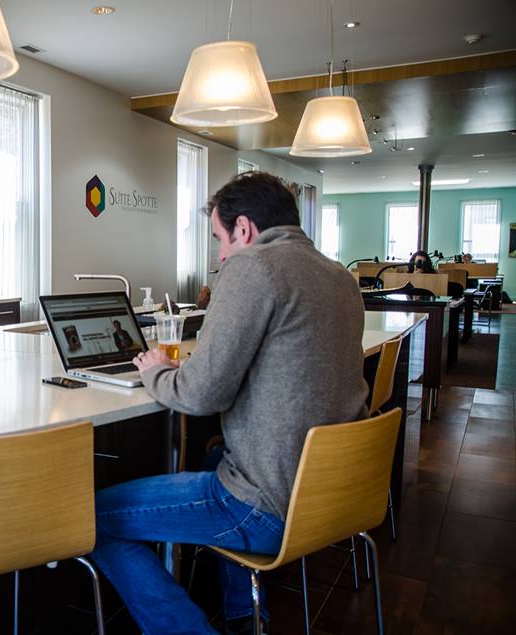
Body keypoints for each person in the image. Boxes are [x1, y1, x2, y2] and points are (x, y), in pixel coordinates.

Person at [91, 172, 369, 635]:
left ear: (244, 228)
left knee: (94, 518)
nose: (221, 255)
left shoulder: (253, 267)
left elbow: (200, 395)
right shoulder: (339, 275)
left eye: (220, 239)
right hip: (332, 495)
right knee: (214, 456)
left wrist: (156, 370)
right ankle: (243, 616)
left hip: (268, 507)